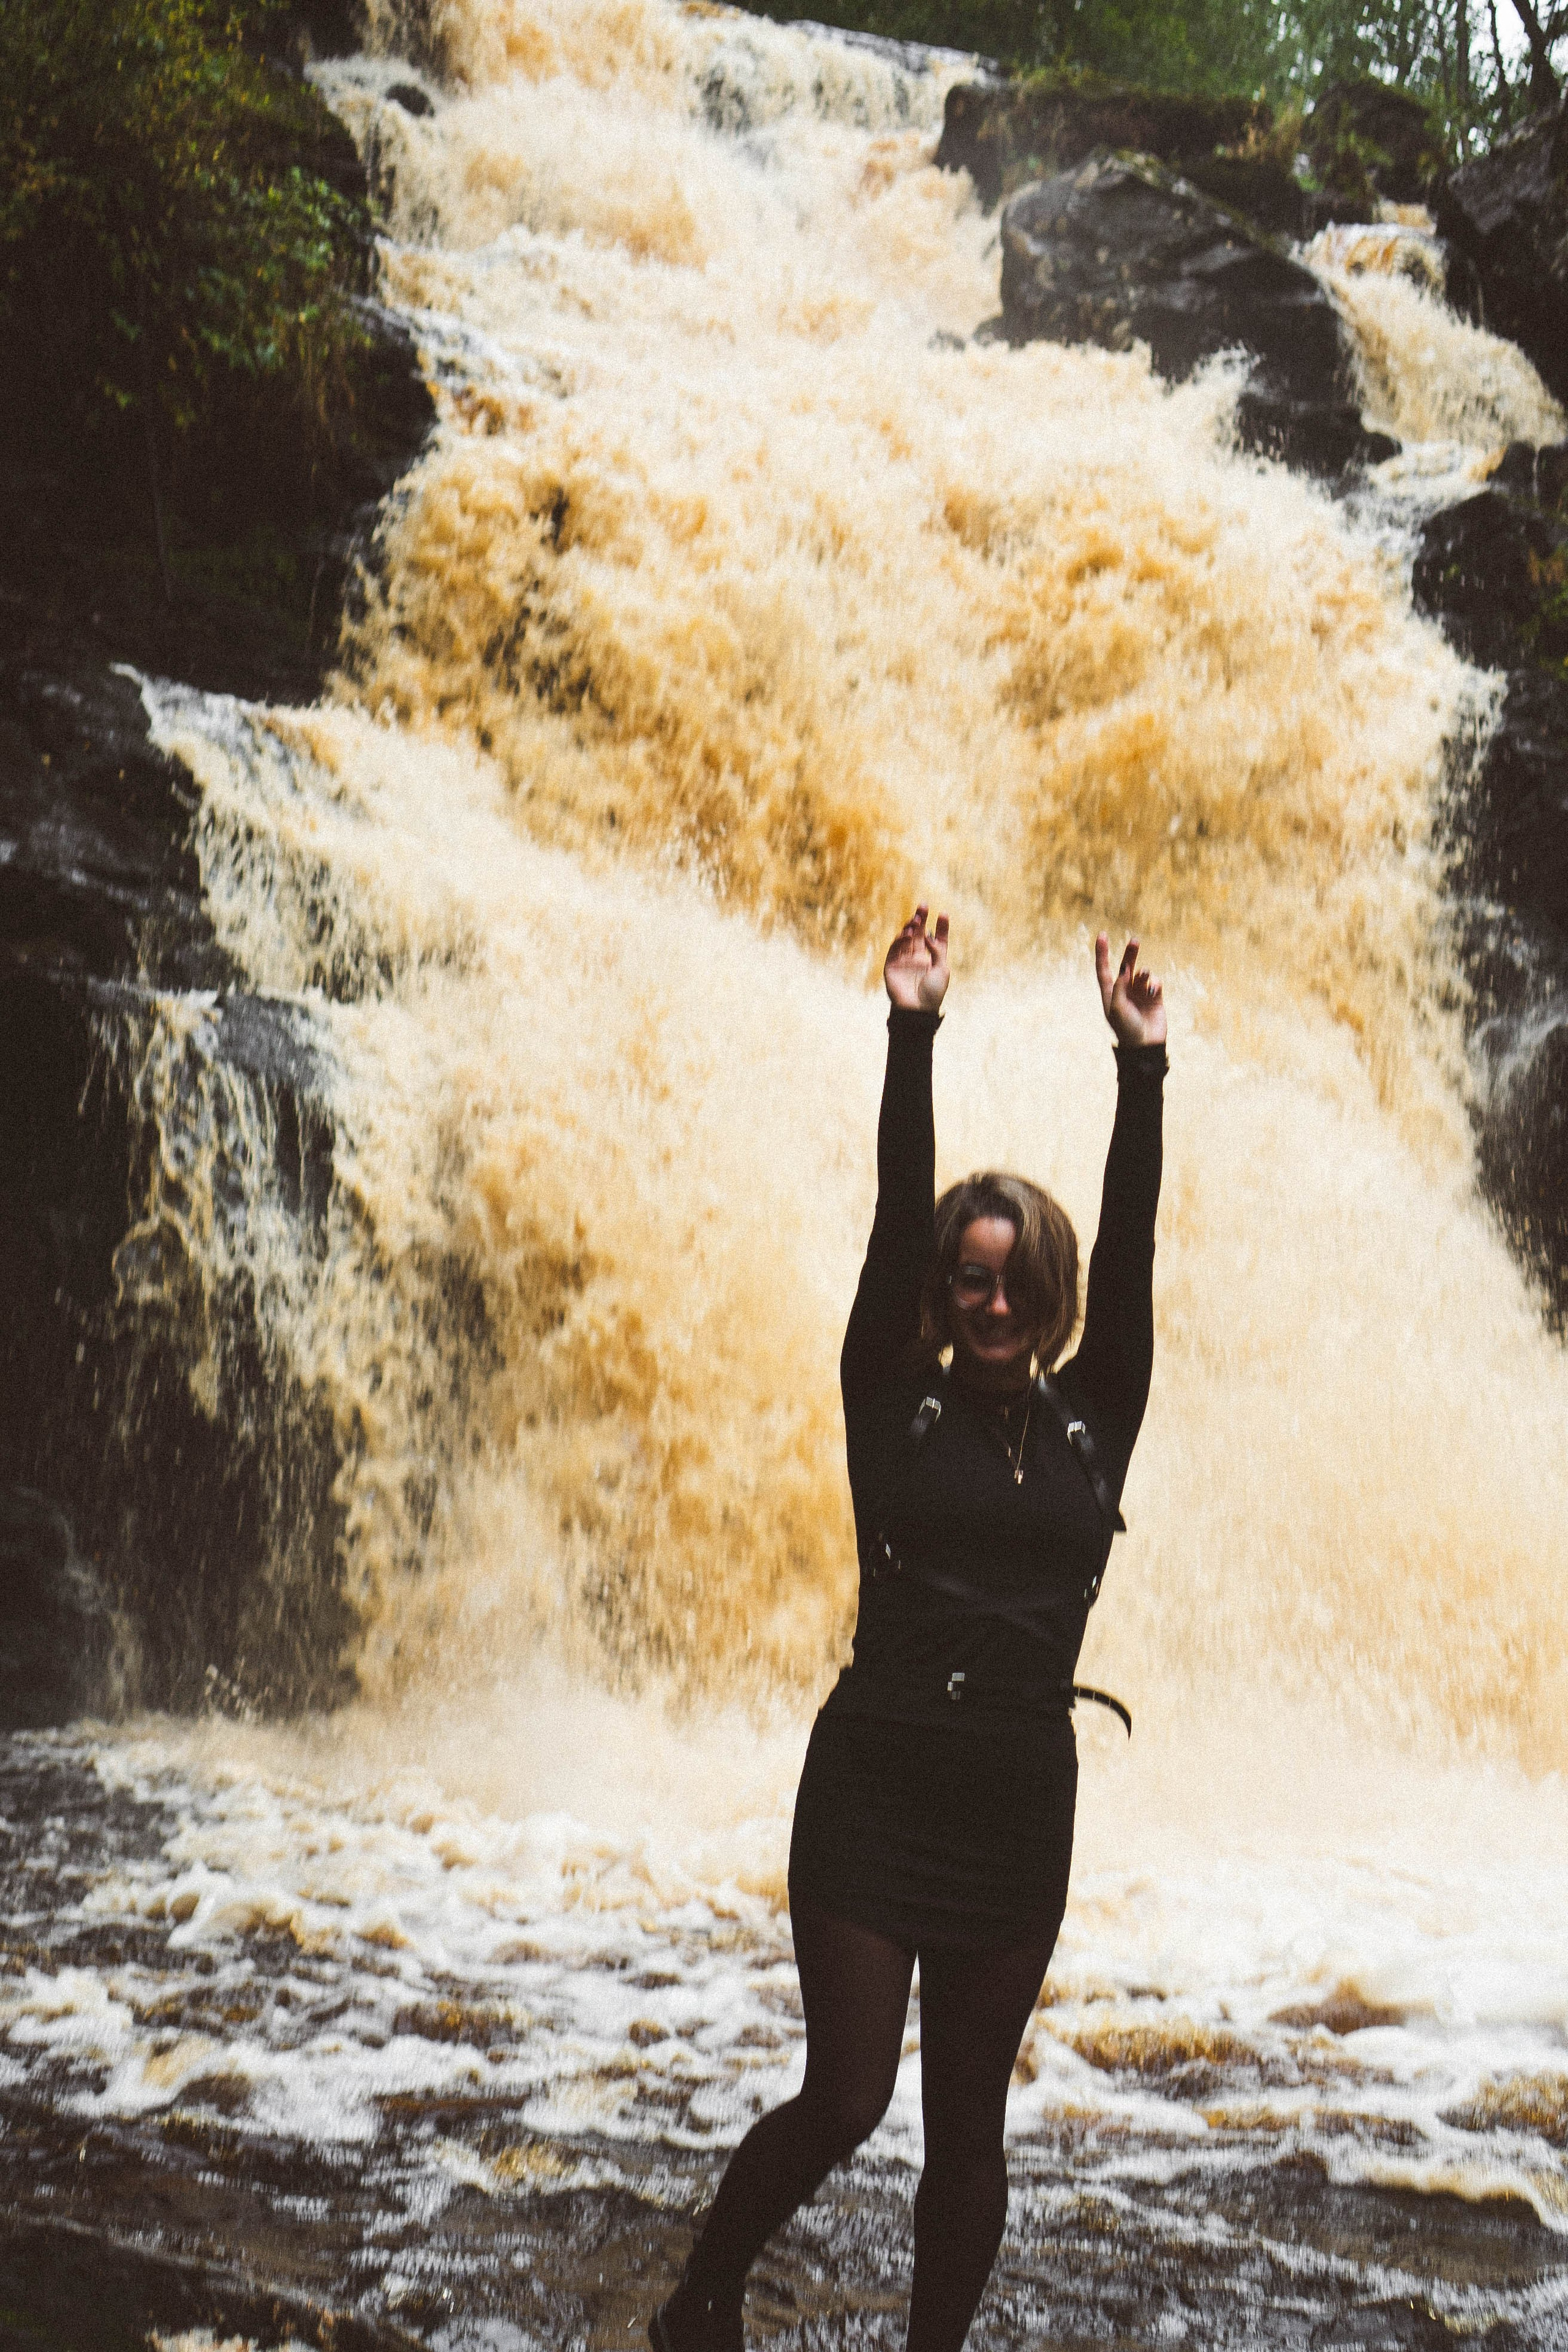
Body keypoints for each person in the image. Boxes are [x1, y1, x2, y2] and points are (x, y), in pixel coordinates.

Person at [651, 907, 1167, 2352]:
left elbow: (1131, 1255)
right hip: (877, 1785)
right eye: (966, 1278)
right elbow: (894, 1219)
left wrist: (1141, 1068)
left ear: (1049, 1296)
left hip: (1014, 1799)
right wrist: (910, 1029)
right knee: (847, 2094)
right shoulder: (893, 1402)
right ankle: (700, 2301)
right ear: (941, 1298)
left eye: (1012, 1278)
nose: (989, 1297)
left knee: (969, 2136)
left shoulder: (1093, 1417)